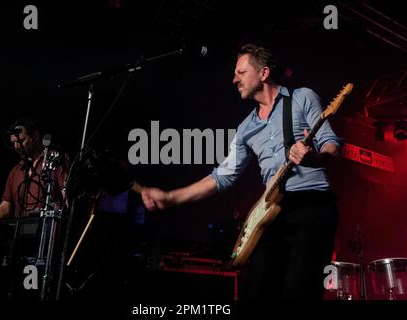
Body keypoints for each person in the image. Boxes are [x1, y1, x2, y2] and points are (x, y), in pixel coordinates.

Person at [140, 44, 342, 300]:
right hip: (273, 212)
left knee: (298, 291)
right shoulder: (245, 128)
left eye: (241, 72)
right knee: (256, 290)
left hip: (312, 205)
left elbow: (332, 146)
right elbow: (221, 177)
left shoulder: (302, 98)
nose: (234, 79)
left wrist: (314, 156)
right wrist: (171, 197)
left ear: (264, 73)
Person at [0, 117, 68, 220]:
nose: (17, 146)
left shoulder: (55, 160)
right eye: (13, 143)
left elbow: (67, 195)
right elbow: (6, 206)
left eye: (21, 141)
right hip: (19, 233)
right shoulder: (15, 172)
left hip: (48, 231)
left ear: (35, 136)